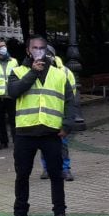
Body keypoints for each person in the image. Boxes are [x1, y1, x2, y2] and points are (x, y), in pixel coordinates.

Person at [6, 36, 78, 216]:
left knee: (57, 174)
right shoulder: (18, 71)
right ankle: (20, 215)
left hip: (51, 132)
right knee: (22, 175)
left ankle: (60, 213)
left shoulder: (59, 75)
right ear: (28, 51)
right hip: (25, 132)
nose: (39, 51)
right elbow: (13, 92)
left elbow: (70, 102)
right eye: (35, 48)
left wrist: (67, 125)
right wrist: (32, 73)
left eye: (42, 48)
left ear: (47, 51)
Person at [39, 45, 76, 182]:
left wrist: (67, 119)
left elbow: (71, 97)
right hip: (42, 116)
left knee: (63, 145)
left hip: (59, 116)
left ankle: (65, 169)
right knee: (44, 145)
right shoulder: (36, 70)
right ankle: (47, 168)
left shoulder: (65, 72)